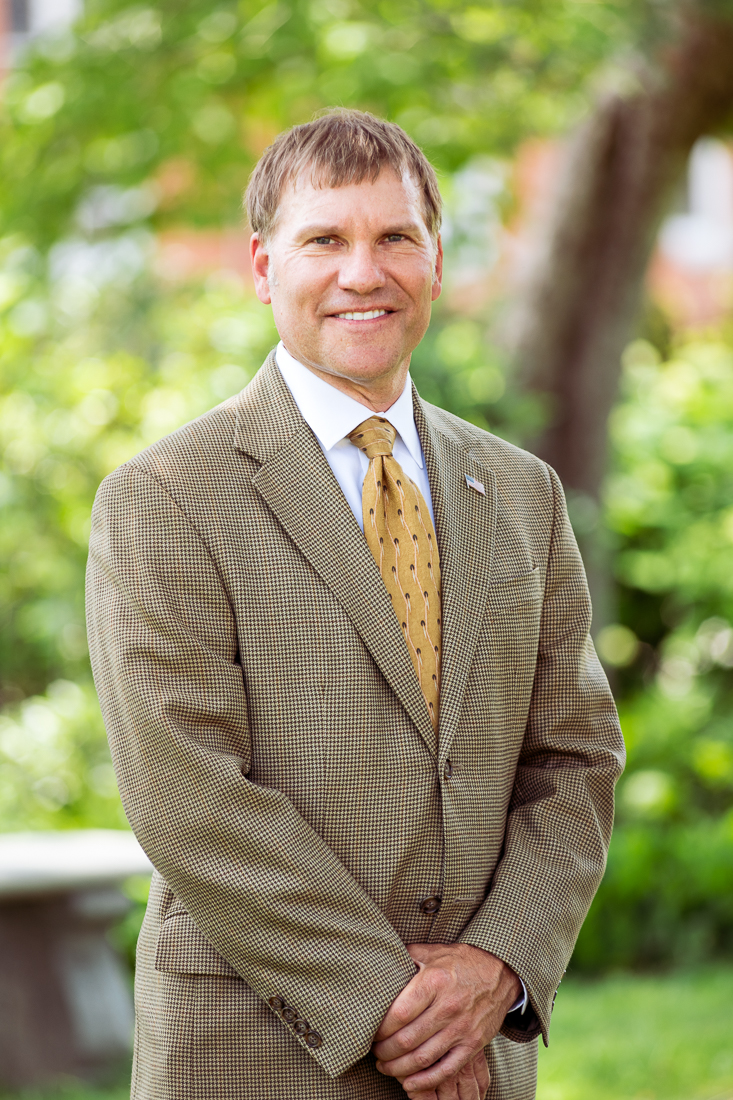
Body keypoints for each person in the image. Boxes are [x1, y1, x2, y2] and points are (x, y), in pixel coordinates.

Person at [86, 110, 624, 1100]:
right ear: (262, 267)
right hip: (255, 1052)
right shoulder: (164, 497)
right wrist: (396, 1004)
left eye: (395, 237)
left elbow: (574, 759)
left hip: (475, 1051)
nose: (363, 273)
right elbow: (189, 796)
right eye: (324, 239)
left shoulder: (521, 492)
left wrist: (494, 969)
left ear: (437, 260)